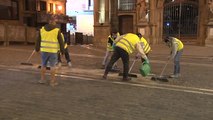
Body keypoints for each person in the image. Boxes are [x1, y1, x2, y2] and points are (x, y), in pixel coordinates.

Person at [35, 16, 64, 87]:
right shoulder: (57, 30)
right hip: (53, 51)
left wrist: (37, 49)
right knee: (52, 66)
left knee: (43, 65)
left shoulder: (42, 30)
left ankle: (42, 79)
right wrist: (62, 51)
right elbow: (61, 42)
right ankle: (52, 81)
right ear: (54, 22)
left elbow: (38, 40)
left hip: (44, 50)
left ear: (48, 22)